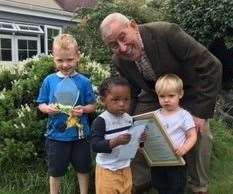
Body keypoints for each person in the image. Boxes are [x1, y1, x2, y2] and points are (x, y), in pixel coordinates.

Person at [99, 12, 222, 194]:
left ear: (133, 25)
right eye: (114, 45)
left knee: (200, 133)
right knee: (136, 128)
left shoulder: (167, 33)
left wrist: (201, 113)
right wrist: (125, 120)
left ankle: (198, 186)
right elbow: (131, 92)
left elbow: (212, 66)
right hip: (153, 95)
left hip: (187, 90)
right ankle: (140, 182)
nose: (122, 48)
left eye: (122, 37)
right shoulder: (119, 61)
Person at [36, 34, 96, 194]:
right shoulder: (49, 80)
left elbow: (93, 106)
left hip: (80, 137)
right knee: (55, 171)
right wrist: (47, 109)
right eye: (60, 60)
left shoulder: (84, 81)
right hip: (56, 136)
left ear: (78, 56)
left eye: (69, 59)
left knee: (83, 169)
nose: (65, 64)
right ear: (53, 59)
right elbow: (40, 104)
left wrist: (83, 109)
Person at [91, 76, 146, 194]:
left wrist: (141, 140)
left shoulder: (129, 119)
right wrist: (115, 141)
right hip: (107, 170)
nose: (122, 104)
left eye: (126, 99)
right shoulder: (101, 121)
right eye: (115, 99)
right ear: (103, 100)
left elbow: (134, 144)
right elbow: (95, 146)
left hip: (125, 167)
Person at [151, 74, 197, 194]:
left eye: (171, 96)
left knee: (176, 187)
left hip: (177, 159)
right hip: (158, 159)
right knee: (160, 186)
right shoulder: (155, 115)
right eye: (162, 96)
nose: (166, 100)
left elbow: (192, 135)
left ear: (180, 94)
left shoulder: (184, 115)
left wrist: (184, 149)